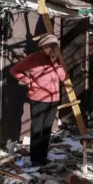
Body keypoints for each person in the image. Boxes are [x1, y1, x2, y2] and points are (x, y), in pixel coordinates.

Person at [10, 34, 66, 166]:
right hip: (38, 98)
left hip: (54, 98)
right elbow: (15, 70)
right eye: (51, 46)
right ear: (43, 47)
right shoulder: (33, 58)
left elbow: (62, 77)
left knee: (47, 129)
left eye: (55, 46)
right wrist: (28, 81)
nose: (54, 48)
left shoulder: (56, 59)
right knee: (37, 128)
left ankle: (43, 156)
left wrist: (55, 63)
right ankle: (35, 158)